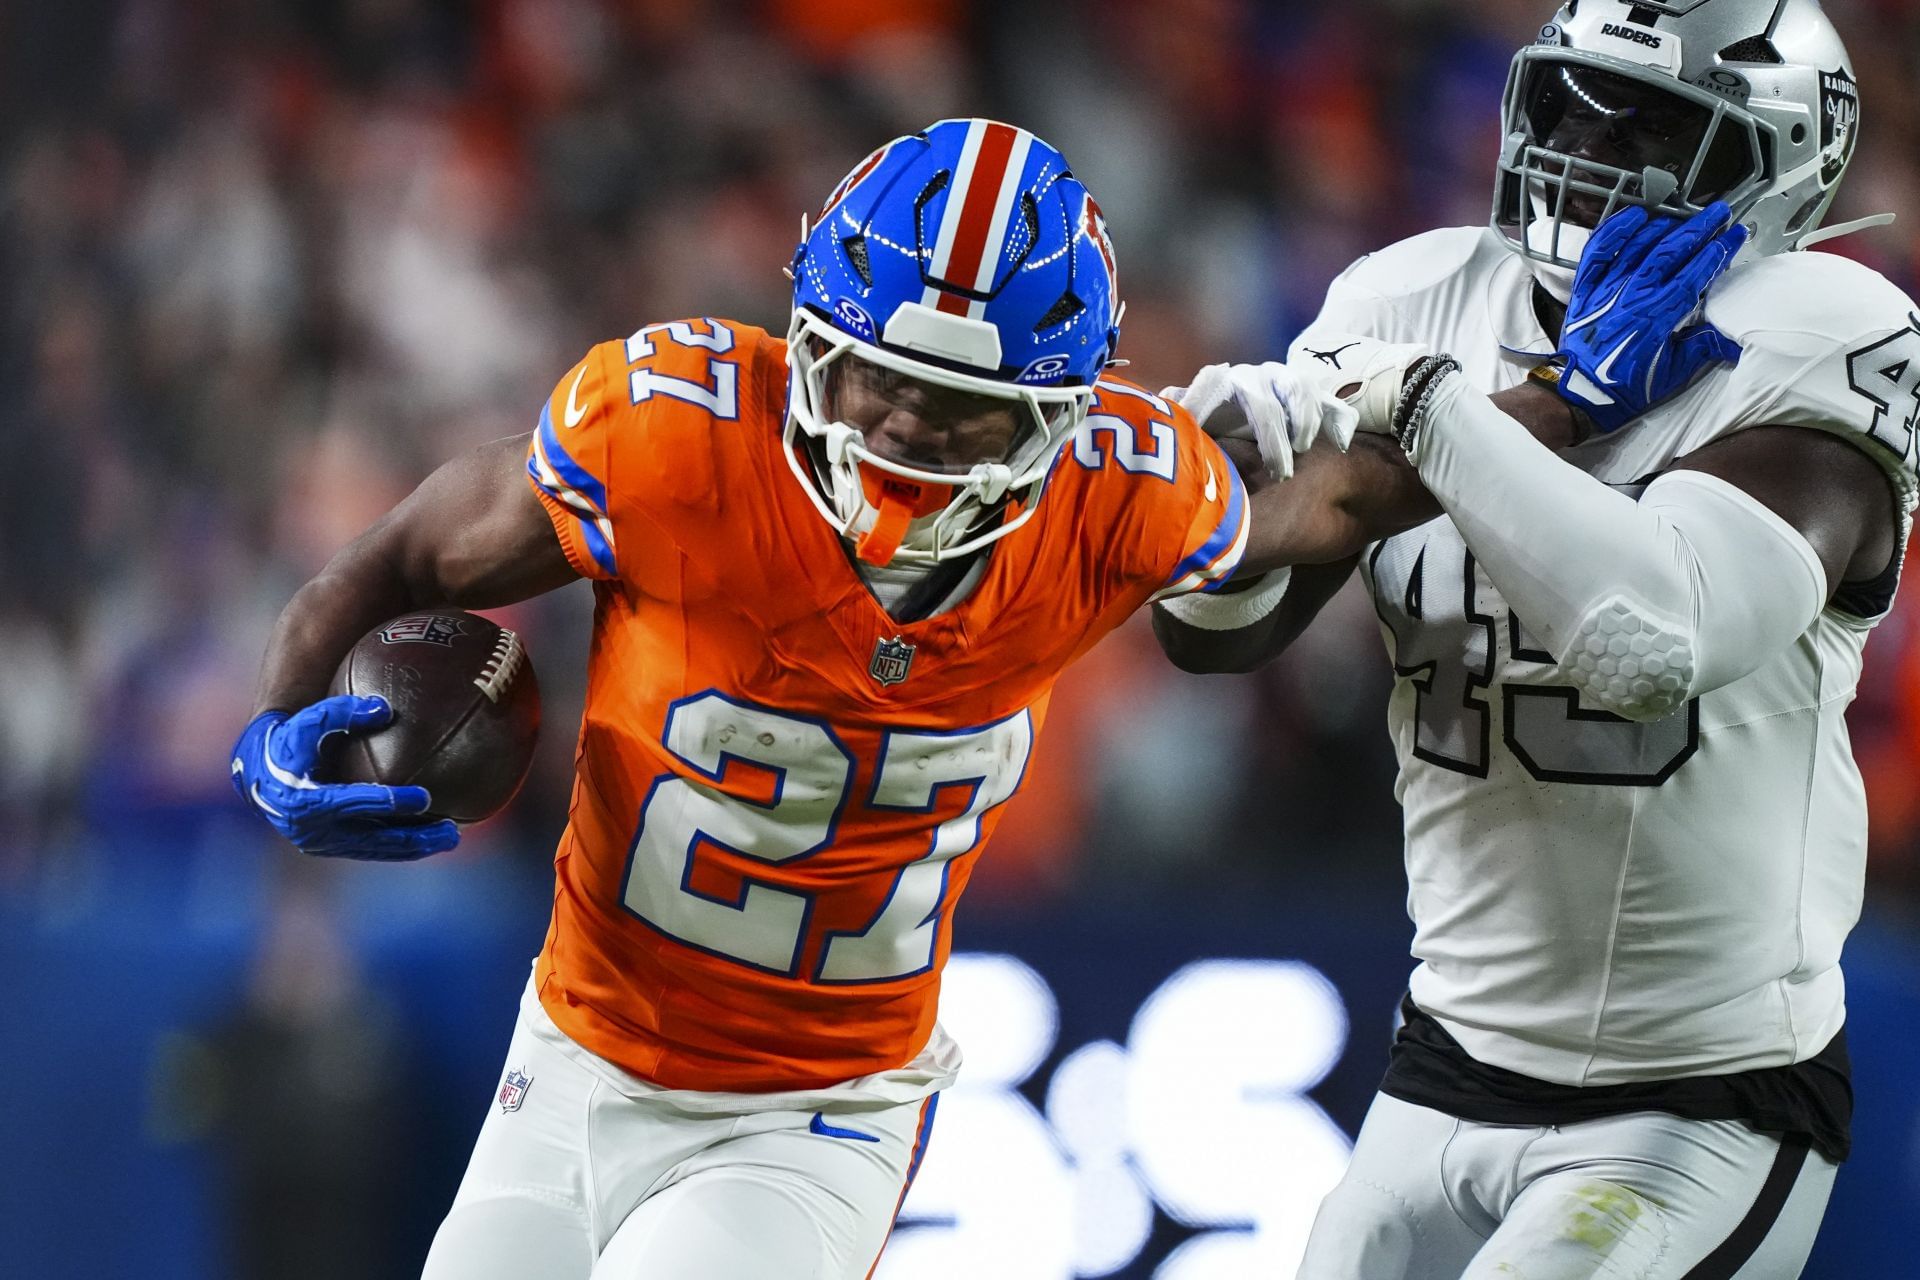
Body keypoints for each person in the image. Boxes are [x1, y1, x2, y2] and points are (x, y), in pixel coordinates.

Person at [227, 119, 1731, 1278]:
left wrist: (1556, 402)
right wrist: (272, 733)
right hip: (569, 1052)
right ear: (807, 336)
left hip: (809, 1111)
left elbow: (1336, 498)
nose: (901, 431)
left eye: (960, 411)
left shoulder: (1115, 494)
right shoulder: (672, 435)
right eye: (874, 379)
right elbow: (408, 550)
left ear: (1061, 414)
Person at [1154, 2, 1920, 1278]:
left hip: (1696, 1094)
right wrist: (1210, 500)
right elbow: (1216, 630)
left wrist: (1429, 405)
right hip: (1442, 1062)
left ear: (1776, 162)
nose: (1587, 153)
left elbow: (1649, 638)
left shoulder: (1822, 330)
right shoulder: (1413, 292)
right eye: (1570, 107)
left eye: (1654, 128)